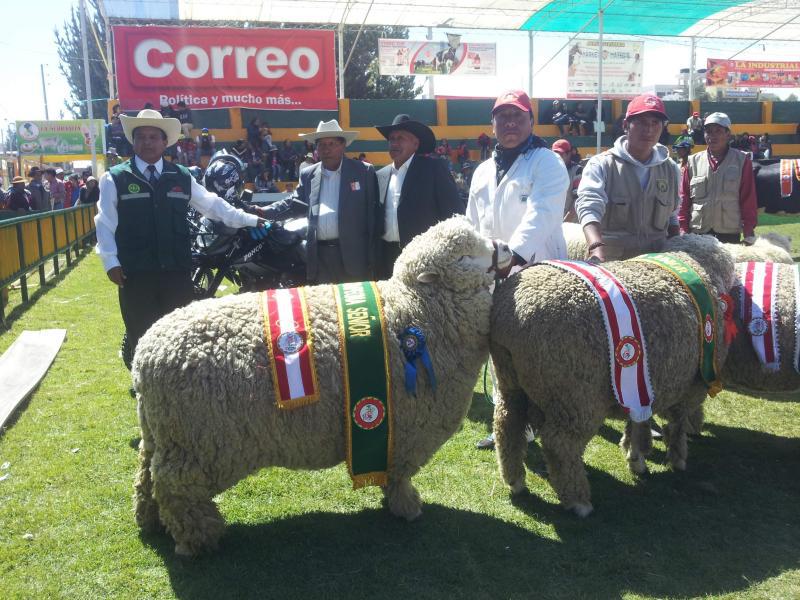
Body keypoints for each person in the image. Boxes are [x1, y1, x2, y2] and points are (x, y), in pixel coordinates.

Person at [94, 108, 267, 363]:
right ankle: (145, 388)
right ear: (133, 140)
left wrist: (250, 219)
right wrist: (111, 262)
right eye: (141, 136)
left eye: (154, 137)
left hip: (177, 273)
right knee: (141, 337)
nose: (147, 142)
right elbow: (105, 222)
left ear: (165, 142)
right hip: (135, 275)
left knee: (180, 336)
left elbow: (213, 206)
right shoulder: (115, 178)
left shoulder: (181, 176)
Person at [468, 90, 569, 449]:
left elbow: (543, 213)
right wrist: (477, 263)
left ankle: (547, 419)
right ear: (492, 124)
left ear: (531, 122)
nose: (510, 123)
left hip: (537, 269)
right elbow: (473, 224)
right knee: (501, 350)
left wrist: (513, 256)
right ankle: (509, 423)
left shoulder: (547, 162)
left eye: (518, 117)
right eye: (503, 117)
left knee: (541, 350)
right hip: (493, 273)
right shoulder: (481, 170)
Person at [259, 120, 380, 284]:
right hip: (319, 257)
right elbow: (293, 202)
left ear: (343, 145)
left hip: (354, 257)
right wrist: (264, 211)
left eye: (331, 143)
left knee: (355, 308)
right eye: (321, 144)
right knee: (325, 307)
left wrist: (374, 257)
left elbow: (373, 217)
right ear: (316, 148)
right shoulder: (308, 175)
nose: (326, 149)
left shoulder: (363, 171)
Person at [576, 93, 680, 262]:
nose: (649, 129)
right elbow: (589, 207)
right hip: (612, 263)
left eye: (655, 123)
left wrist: (677, 245)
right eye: (642, 122)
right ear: (626, 125)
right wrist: (595, 248)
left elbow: (672, 215)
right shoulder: (602, 165)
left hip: (657, 262)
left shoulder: (671, 168)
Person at [375, 114, 464, 279]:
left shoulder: (433, 169)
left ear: (415, 144)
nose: (394, 143)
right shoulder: (380, 175)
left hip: (423, 259)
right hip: (387, 258)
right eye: (391, 139)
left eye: (400, 138)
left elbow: (454, 215)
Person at [678, 112, 757, 245]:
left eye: (718, 131)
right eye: (708, 132)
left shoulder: (742, 161)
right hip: (698, 233)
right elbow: (684, 198)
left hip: (729, 234)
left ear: (728, 134)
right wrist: (682, 229)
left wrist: (748, 232)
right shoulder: (693, 162)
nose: (712, 136)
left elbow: (748, 199)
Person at [551, 139, 582, 222]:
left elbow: (578, 199)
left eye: (561, 154)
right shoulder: (548, 171)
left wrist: (565, 221)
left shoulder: (577, 171)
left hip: (570, 222)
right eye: (554, 154)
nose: (557, 157)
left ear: (569, 154)